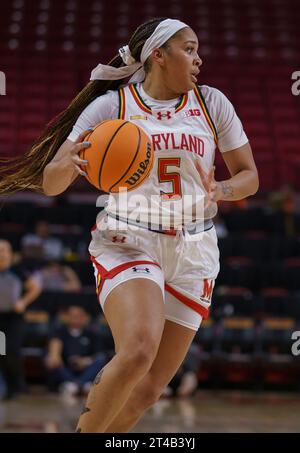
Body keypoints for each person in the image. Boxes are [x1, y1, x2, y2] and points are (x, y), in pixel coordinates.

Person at [0, 18, 259, 431]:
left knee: (149, 389)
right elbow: (51, 183)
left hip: (194, 250)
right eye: (188, 49)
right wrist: (69, 163)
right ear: (158, 55)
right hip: (129, 236)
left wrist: (221, 190)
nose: (199, 59)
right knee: (138, 351)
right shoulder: (113, 107)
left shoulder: (212, 104)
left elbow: (250, 176)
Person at [0, 239, 42, 399]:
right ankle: (11, 388)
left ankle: (19, 385)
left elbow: (35, 287)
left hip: (14, 318)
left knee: (11, 350)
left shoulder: (18, 270)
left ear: (10, 254)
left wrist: (23, 302)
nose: (1, 253)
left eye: (4, 250)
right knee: (1, 352)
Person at [45, 305, 106, 396]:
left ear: (85, 318)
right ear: (67, 317)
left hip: (86, 368)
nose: (76, 319)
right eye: (73, 316)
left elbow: (98, 354)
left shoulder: (91, 334)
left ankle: (76, 384)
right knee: (51, 359)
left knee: (101, 358)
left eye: (79, 316)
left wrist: (85, 361)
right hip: (66, 367)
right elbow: (54, 350)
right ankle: (80, 384)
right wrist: (55, 356)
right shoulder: (59, 332)